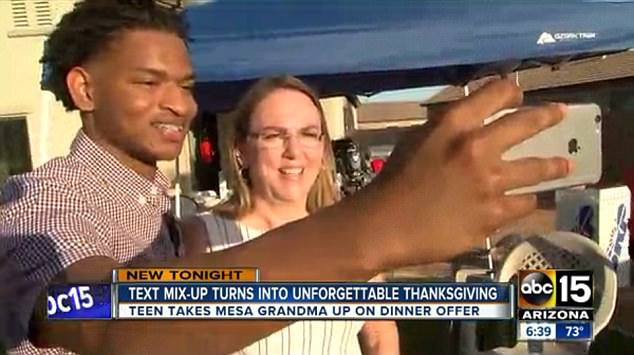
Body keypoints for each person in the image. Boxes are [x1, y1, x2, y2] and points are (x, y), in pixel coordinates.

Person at [0, 1, 571, 354]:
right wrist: (372, 229)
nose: (178, 105)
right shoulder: (49, 203)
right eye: (149, 84)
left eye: (185, 85)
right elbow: (92, 315)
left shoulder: (158, 211)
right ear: (85, 90)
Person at [180, 76, 399, 355]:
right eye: (273, 135)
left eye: (308, 134)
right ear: (240, 151)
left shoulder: (351, 234)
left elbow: (380, 333)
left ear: (322, 149)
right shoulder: (203, 238)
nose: (294, 152)